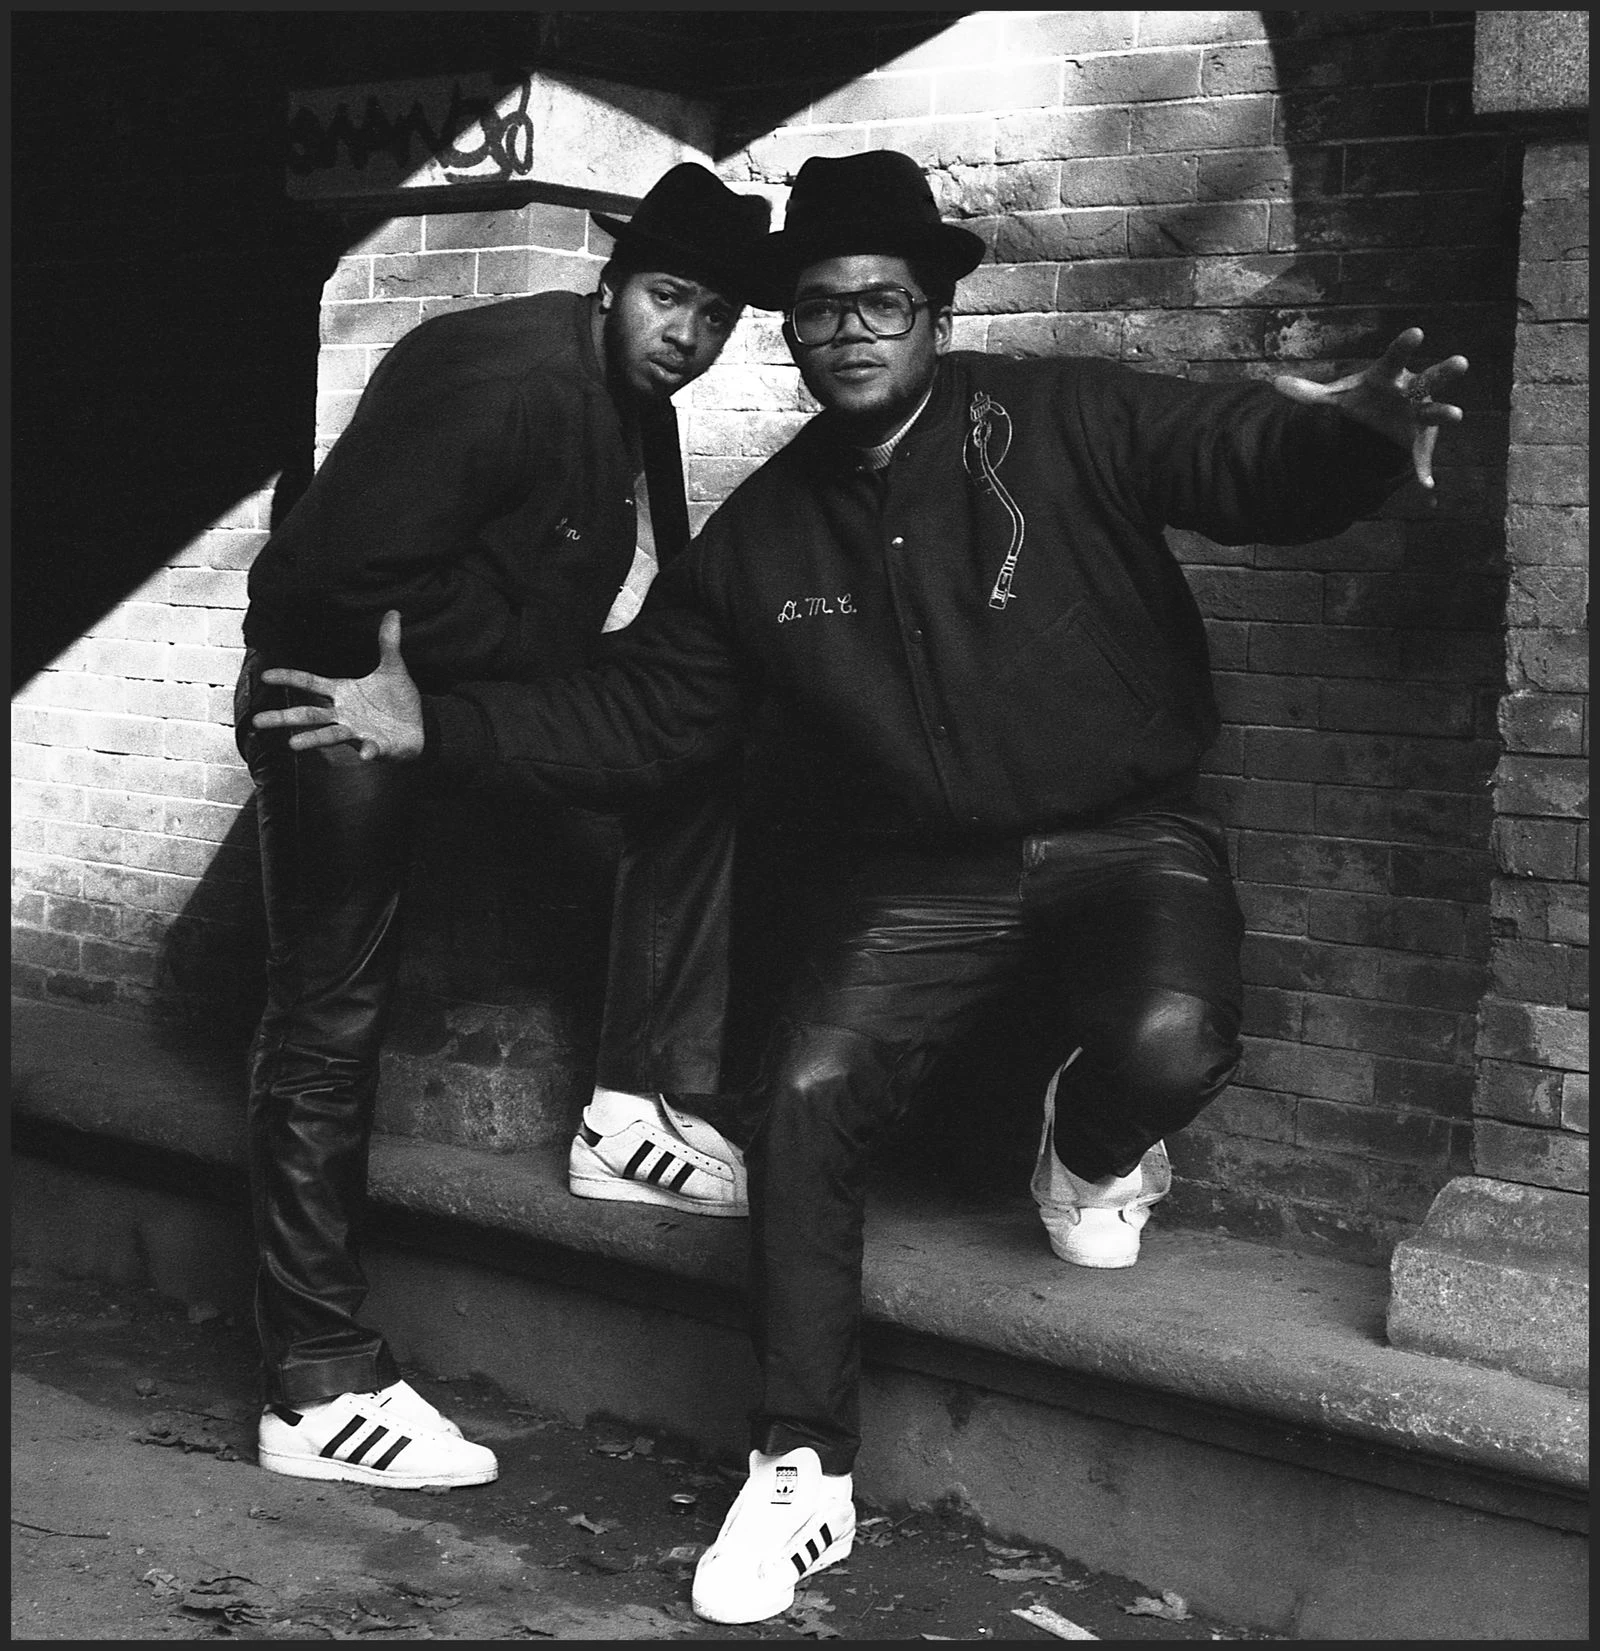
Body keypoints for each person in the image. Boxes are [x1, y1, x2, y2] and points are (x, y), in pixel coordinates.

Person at [251, 149, 1469, 1611]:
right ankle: (801, 1466)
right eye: (819, 310)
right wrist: (436, 720)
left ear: (936, 314)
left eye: (882, 303)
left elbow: (1241, 459)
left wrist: (1357, 442)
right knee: (806, 1096)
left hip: (1126, 836)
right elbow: (640, 714)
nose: (850, 332)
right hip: (928, 878)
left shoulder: (1066, 413)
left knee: (1169, 1042)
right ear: (796, 332)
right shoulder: (768, 525)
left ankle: (1087, 1151)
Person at [233, 162, 772, 1492]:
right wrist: (441, 693)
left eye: (713, 315)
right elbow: (317, 574)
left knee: (704, 751)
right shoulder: (509, 376)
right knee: (328, 1013)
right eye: (668, 297)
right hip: (336, 699)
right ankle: (313, 1383)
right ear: (614, 281)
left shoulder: (634, 396)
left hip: (450, 705)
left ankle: (631, 1105)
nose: (687, 333)